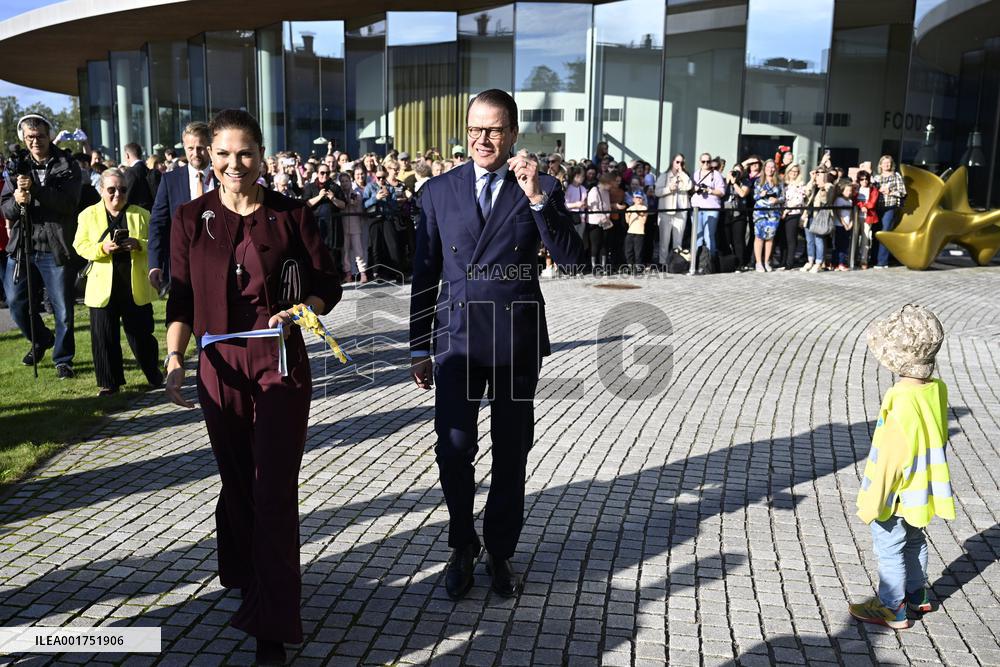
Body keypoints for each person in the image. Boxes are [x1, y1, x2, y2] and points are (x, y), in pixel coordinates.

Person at [163, 109, 342, 664]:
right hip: (218, 364)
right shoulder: (191, 218)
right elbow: (182, 300)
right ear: (208, 157)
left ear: (262, 156)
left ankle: (272, 623)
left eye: (245, 153)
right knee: (237, 481)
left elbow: (326, 283)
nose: (234, 164)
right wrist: (174, 358)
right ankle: (244, 569)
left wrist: (303, 311)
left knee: (272, 488)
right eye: (224, 154)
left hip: (279, 358)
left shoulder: (291, 215)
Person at [408, 89, 583, 601]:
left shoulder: (540, 185)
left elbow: (572, 260)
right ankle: (462, 544)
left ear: (512, 134)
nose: (483, 139)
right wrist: (419, 345)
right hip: (457, 339)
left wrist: (535, 197)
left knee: (512, 451)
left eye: (494, 130)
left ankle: (500, 550)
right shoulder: (439, 191)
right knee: (453, 447)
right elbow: (424, 272)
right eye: (475, 130)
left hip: (514, 339)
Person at [849, 304, 952, 630]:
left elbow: (890, 460)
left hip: (896, 492)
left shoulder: (900, 398)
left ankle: (892, 607)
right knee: (914, 539)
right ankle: (917, 594)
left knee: (890, 548)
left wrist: (872, 502)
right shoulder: (936, 389)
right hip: (920, 488)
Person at [1, 114, 82, 378]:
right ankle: (42, 339)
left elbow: (68, 204)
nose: (35, 141)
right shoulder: (17, 166)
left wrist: (36, 190)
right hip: (22, 245)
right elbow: (6, 209)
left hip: (55, 245)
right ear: (23, 139)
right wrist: (17, 199)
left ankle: (63, 359)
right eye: (30, 137)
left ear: (50, 135)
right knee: (15, 302)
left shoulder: (66, 164)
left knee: (62, 309)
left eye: (40, 136)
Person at [72, 170, 161, 395]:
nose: (117, 195)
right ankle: (109, 384)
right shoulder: (87, 215)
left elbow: (155, 242)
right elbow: (79, 246)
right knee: (103, 337)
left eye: (122, 189)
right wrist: (102, 248)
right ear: (101, 190)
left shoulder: (141, 214)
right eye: (111, 190)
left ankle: (154, 374)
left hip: (134, 286)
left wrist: (138, 243)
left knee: (141, 335)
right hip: (102, 287)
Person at [148, 121, 214, 293]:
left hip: (219, 263)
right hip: (182, 266)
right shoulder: (170, 180)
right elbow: (158, 224)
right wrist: (155, 264)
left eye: (200, 147)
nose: (195, 153)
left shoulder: (224, 179)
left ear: (209, 147)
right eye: (190, 148)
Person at [690, 153, 725, 273]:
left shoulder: (716, 175)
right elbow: (690, 188)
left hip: (711, 208)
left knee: (709, 236)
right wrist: (695, 189)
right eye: (703, 161)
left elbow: (722, 192)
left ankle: (709, 264)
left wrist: (709, 190)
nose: (706, 164)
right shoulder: (696, 173)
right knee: (697, 237)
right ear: (700, 162)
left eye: (708, 161)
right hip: (696, 208)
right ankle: (696, 263)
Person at [654, 154, 691, 265]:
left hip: (681, 212)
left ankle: (676, 263)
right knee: (664, 241)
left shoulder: (685, 176)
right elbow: (657, 192)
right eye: (677, 162)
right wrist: (669, 189)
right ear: (672, 162)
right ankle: (662, 263)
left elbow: (689, 186)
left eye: (682, 163)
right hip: (667, 212)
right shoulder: (664, 176)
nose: (679, 165)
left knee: (678, 240)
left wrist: (682, 173)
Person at [872, 155, 906, 269]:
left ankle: (882, 262)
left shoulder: (896, 176)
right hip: (877, 208)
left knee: (885, 232)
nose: (887, 165)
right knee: (876, 232)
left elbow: (903, 192)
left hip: (890, 207)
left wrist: (890, 191)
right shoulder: (876, 178)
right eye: (885, 163)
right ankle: (874, 259)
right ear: (880, 165)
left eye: (889, 163)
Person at [752, 159, 783, 272]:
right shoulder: (758, 182)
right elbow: (754, 197)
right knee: (759, 237)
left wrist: (777, 200)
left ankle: (766, 261)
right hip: (760, 212)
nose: (770, 169)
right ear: (764, 168)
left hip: (774, 213)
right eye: (768, 167)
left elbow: (783, 198)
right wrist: (761, 194)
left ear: (775, 169)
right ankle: (759, 262)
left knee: (770, 238)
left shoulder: (779, 182)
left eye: (772, 167)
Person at [801, 170, 835, 273]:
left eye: (820, 174)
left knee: (819, 241)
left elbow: (826, 200)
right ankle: (810, 261)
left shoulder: (829, 186)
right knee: (809, 241)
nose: (817, 175)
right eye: (817, 173)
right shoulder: (813, 185)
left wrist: (823, 186)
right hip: (809, 215)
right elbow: (806, 193)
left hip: (819, 217)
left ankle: (819, 262)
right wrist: (812, 179)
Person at [339, 169, 368, 283]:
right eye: (342, 181)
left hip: (356, 226)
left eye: (346, 181)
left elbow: (356, 205)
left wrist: (352, 200)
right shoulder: (339, 194)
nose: (344, 183)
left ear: (350, 181)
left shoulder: (356, 193)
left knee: (358, 250)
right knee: (345, 251)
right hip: (343, 226)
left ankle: (363, 272)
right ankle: (348, 273)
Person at [780, 164, 807, 271]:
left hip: (793, 213)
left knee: (791, 239)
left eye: (796, 171)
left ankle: (789, 262)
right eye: (791, 171)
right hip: (781, 213)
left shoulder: (800, 184)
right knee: (783, 239)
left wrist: (787, 210)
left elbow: (799, 200)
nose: (793, 173)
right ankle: (782, 260)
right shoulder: (784, 183)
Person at [586, 173, 615, 271]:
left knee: (604, 244)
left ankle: (603, 266)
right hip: (595, 222)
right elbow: (593, 208)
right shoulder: (594, 191)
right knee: (595, 245)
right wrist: (604, 217)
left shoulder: (606, 192)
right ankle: (594, 266)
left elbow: (608, 206)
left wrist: (607, 217)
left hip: (605, 222)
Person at [855, 171, 880, 270]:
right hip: (856, 216)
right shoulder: (856, 188)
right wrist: (861, 206)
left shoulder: (873, 189)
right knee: (854, 238)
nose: (864, 181)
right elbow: (854, 200)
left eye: (866, 179)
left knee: (865, 239)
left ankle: (863, 260)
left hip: (868, 217)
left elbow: (872, 203)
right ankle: (853, 258)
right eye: (862, 179)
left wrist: (864, 206)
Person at [122, 142, 155, 211]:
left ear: (127, 155)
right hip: (151, 212)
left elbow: (127, 196)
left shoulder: (130, 172)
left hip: (137, 214)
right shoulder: (149, 170)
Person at [833, 182, 856, 271]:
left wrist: (850, 222)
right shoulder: (839, 200)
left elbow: (851, 214)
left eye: (850, 190)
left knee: (845, 245)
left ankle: (841, 262)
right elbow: (838, 213)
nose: (848, 192)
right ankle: (838, 263)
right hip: (839, 224)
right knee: (838, 245)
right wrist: (844, 223)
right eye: (846, 190)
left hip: (847, 225)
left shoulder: (850, 201)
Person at [624, 191, 648, 273]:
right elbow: (627, 221)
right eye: (636, 197)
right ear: (633, 199)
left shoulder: (644, 208)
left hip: (639, 232)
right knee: (629, 251)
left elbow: (642, 215)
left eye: (640, 198)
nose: (638, 199)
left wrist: (634, 211)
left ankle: (638, 266)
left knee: (638, 251)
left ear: (642, 199)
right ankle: (630, 265)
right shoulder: (629, 209)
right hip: (630, 231)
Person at [564, 166, 588, 238]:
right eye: (581, 176)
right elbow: (564, 205)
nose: (583, 178)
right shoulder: (568, 188)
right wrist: (576, 205)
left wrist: (585, 204)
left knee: (579, 239)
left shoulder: (583, 188)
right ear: (575, 176)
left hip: (581, 219)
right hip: (571, 218)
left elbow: (585, 203)